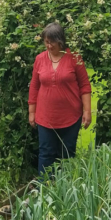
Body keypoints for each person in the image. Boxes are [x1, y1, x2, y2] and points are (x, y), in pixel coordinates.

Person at [28, 22, 91, 177]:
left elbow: (84, 86)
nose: (48, 46)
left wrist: (87, 111)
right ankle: (45, 188)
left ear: (61, 41)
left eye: (52, 42)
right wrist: (32, 111)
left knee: (67, 153)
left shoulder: (74, 58)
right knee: (46, 153)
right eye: (46, 42)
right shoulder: (40, 59)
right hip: (45, 117)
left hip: (71, 116)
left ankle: (66, 189)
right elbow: (34, 86)